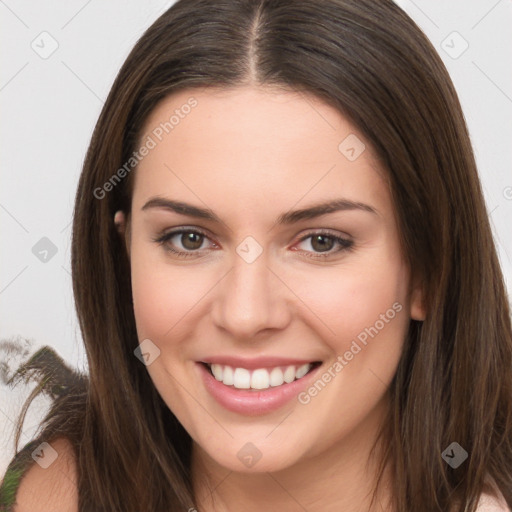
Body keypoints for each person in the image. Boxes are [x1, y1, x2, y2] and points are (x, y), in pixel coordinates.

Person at [1, 0, 511, 511]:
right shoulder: (41, 490)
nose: (245, 314)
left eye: (321, 241)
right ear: (124, 254)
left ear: (427, 268)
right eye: (189, 239)